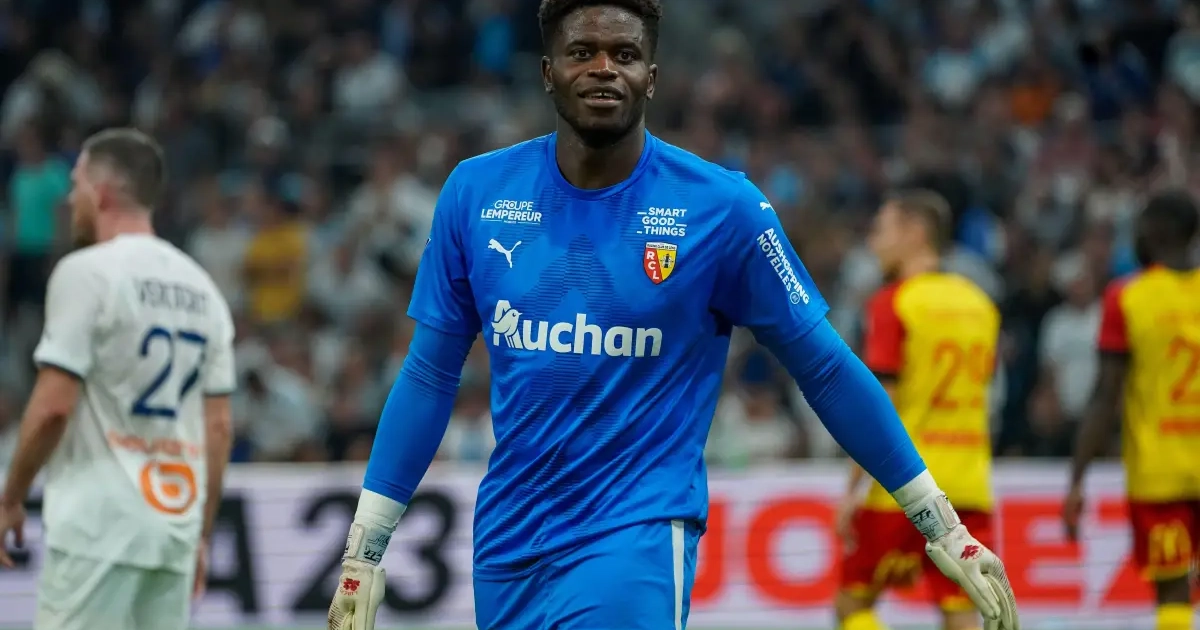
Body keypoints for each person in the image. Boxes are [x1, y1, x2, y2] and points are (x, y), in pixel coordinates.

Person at [327, 2, 1020, 629]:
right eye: (582, 52)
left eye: (625, 54)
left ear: (651, 78)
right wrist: (364, 548)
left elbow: (828, 370)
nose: (604, 68)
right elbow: (428, 375)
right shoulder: (475, 193)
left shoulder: (724, 209)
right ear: (547, 72)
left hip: (634, 537)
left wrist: (940, 523)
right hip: (507, 544)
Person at [0, 128, 236, 630]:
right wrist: (201, 535)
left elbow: (53, 407)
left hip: (98, 526)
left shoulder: (85, 272)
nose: (70, 199)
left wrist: (11, 496)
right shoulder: (203, 289)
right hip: (173, 526)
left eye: (76, 184)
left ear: (101, 192)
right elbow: (218, 428)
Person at [834, 192, 1001, 630]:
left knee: (852, 604)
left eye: (881, 230)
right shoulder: (980, 304)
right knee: (961, 613)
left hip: (906, 486)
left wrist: (852, 489)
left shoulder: (894, 302)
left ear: (915, 233)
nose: (873, 243)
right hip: (970, 485)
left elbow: (880, 404)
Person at [1065, 190, 1200, 630]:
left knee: (1173, 592)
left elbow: (1106, 396)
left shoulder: (1128, 296)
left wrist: (1077, 479)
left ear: (1156, 231)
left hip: (1160, 473)